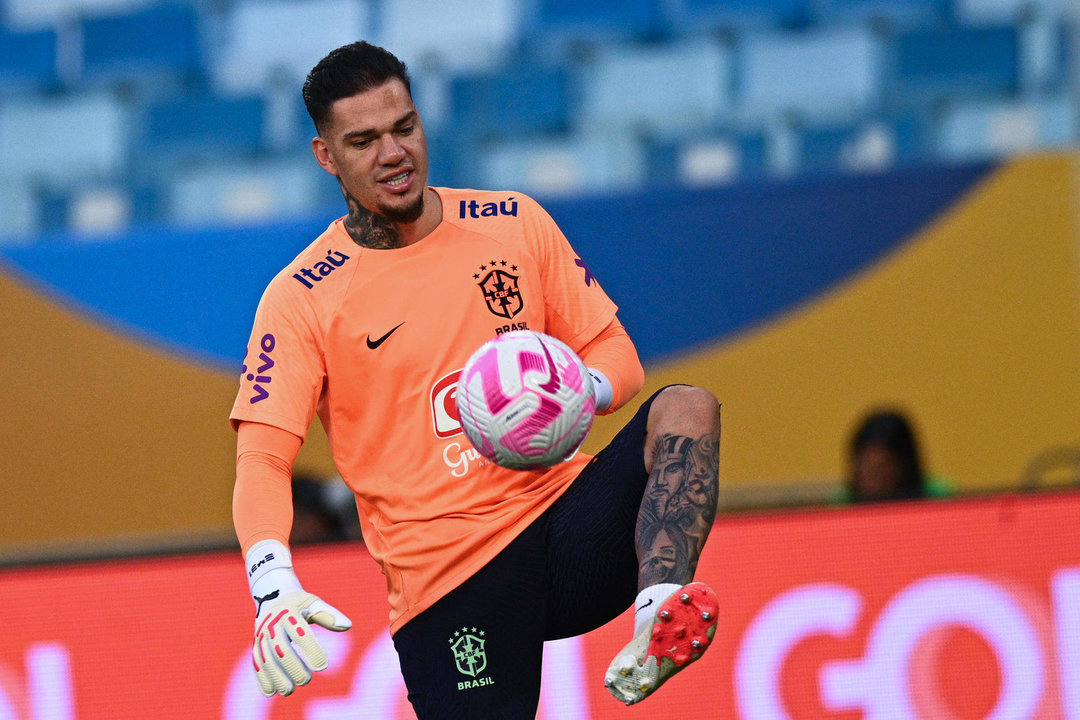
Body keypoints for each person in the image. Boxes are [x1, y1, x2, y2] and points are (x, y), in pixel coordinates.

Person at [230, 41, 721, 718]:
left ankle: (661, 611)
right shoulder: (301, 296)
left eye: (404, 127)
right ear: (327, 157)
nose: (393, 153)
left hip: (565, 521)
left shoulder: (512, 222)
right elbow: (262, 457)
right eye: (364, 140)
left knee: (687, 409)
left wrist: (578, 390)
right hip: (448, 578)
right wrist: (272, 583)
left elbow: (617, 355)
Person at [840, 408, 951, 503]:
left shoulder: (939, 500)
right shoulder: (840, 504)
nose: (870, 481)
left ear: (904, 465)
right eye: (863, 468)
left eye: (880, 469)